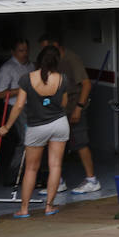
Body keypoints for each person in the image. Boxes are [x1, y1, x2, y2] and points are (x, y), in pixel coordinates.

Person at [0, 45, 68, 217]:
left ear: (38, 60)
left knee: (30, 169)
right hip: (59, 124)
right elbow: (64, 104)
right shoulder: (62, 79)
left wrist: (6, 126)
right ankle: (49, 207)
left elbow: (19, 105)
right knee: (55, 165)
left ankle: (24, 209)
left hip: (36, 127)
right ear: (56, 62)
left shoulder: (26, 79)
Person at [39, 34, 100, 194]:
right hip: (59, 110)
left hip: (74, 107)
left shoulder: (72, 59)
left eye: (47, 48)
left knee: (80, 143)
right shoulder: (52, 61)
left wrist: (79, 108)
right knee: (54, 143)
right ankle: (57, 181)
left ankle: (92, 180)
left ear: (57, 45)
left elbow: (86, 84)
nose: (45, 52)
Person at [0, 38, 33, 192]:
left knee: (33, 140)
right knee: (25, 140)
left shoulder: (31, 66)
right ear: (13, 52)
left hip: (32, 107)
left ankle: (30, 174)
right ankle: (13, 176)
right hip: (16, 108)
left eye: (26, 50)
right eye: (20, 50)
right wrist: (22, 89)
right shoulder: (7, 69)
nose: (24, 53)